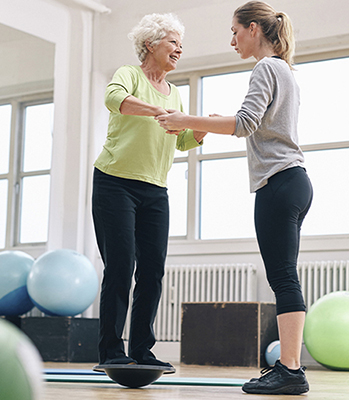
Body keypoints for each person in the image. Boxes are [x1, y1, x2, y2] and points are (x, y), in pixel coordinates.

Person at [156, 1, 312, 394]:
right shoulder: (285, 70)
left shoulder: (266, 67)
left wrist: (185, 120)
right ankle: (291, 369)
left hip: (278, 182)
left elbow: (244, 124)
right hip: (293, 181)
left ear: (255, 29)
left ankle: (291, 371)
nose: (232, 40)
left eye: (235, 31)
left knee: (282, 278)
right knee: (284, 276)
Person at [92, 13, 206, 368]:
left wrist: (201, 129)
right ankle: (111, 351)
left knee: (152, 270)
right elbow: (115, 100)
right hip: (115, 183)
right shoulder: (130, 74)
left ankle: (142, 349)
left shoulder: (177, 93)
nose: (179, 48)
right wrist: (159, 111)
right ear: (150, 44)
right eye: (172, 41)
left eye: (180, 43)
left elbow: (182, 140)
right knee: (121, 266)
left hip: (155, 190)